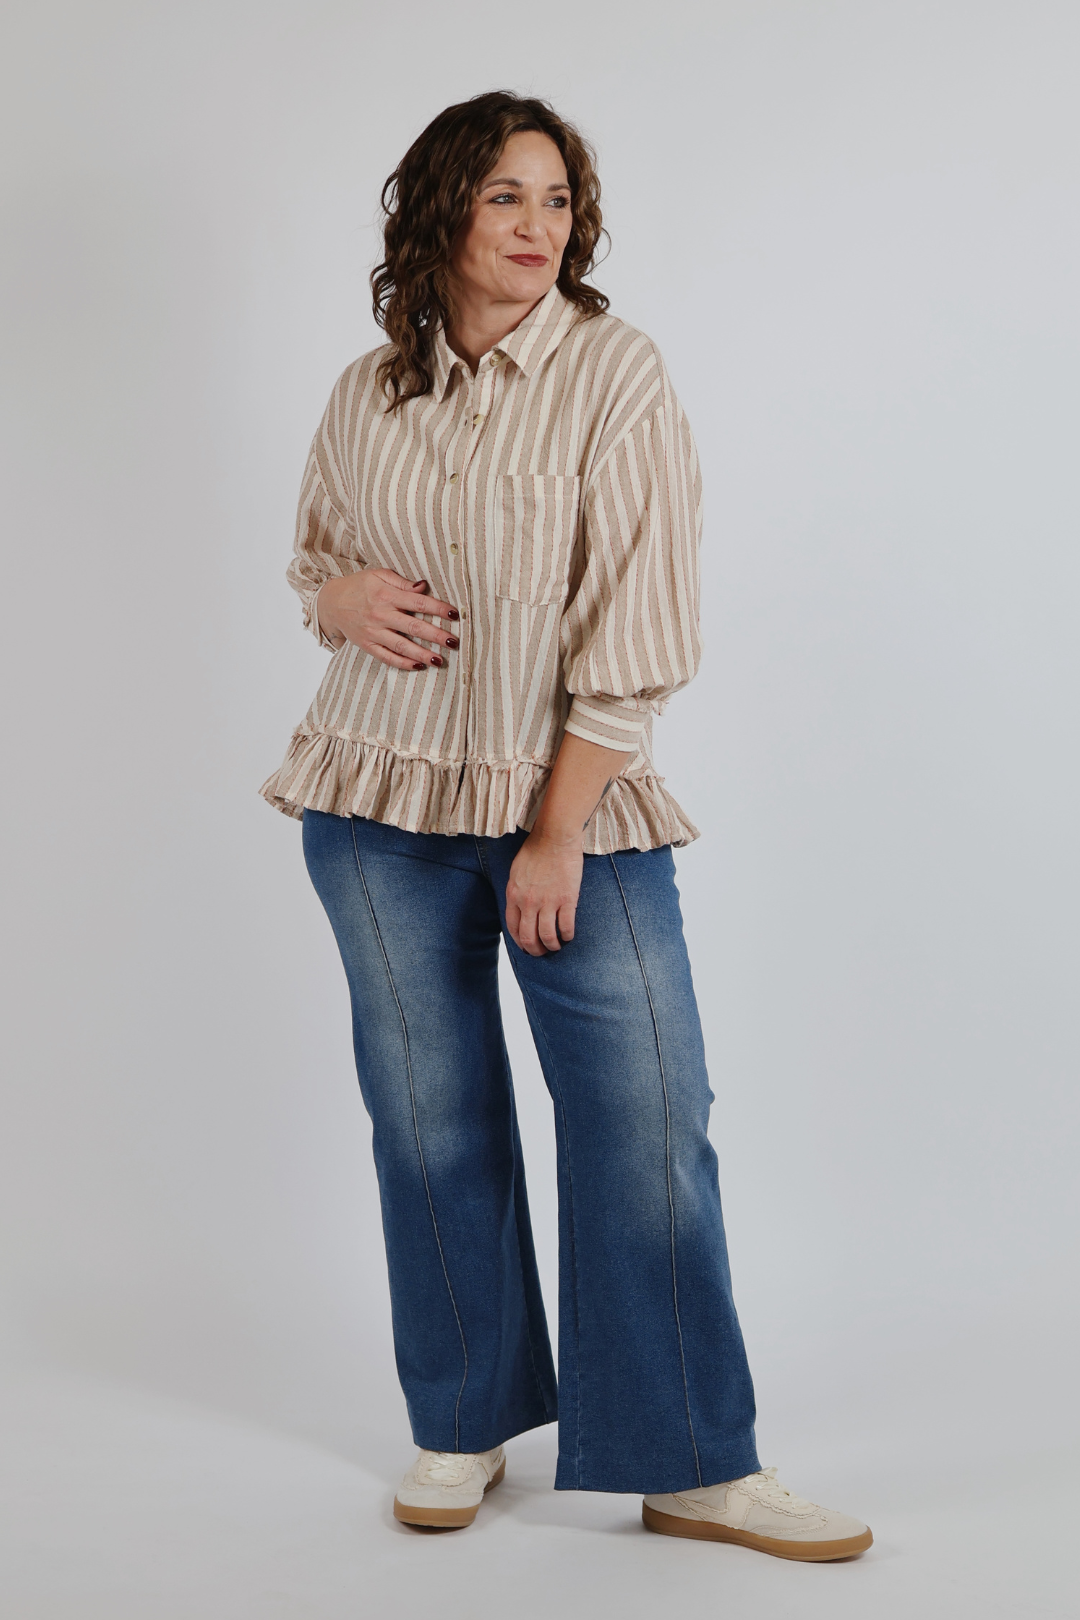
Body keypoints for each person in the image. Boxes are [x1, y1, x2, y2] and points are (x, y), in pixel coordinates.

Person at [261, 89, 871, 1561]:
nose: (540, 226)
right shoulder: (368, 389)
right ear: (442, 214)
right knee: (429, 1120)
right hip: (377, 805)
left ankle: (692, 1462)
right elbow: (318, 558)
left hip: (572, 815)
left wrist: (558, 834)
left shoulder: (616, 373)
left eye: (559, 201)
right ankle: (462, 1418)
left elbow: (641, 623)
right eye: (507, 198)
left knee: (648, 1116)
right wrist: (338, 597)